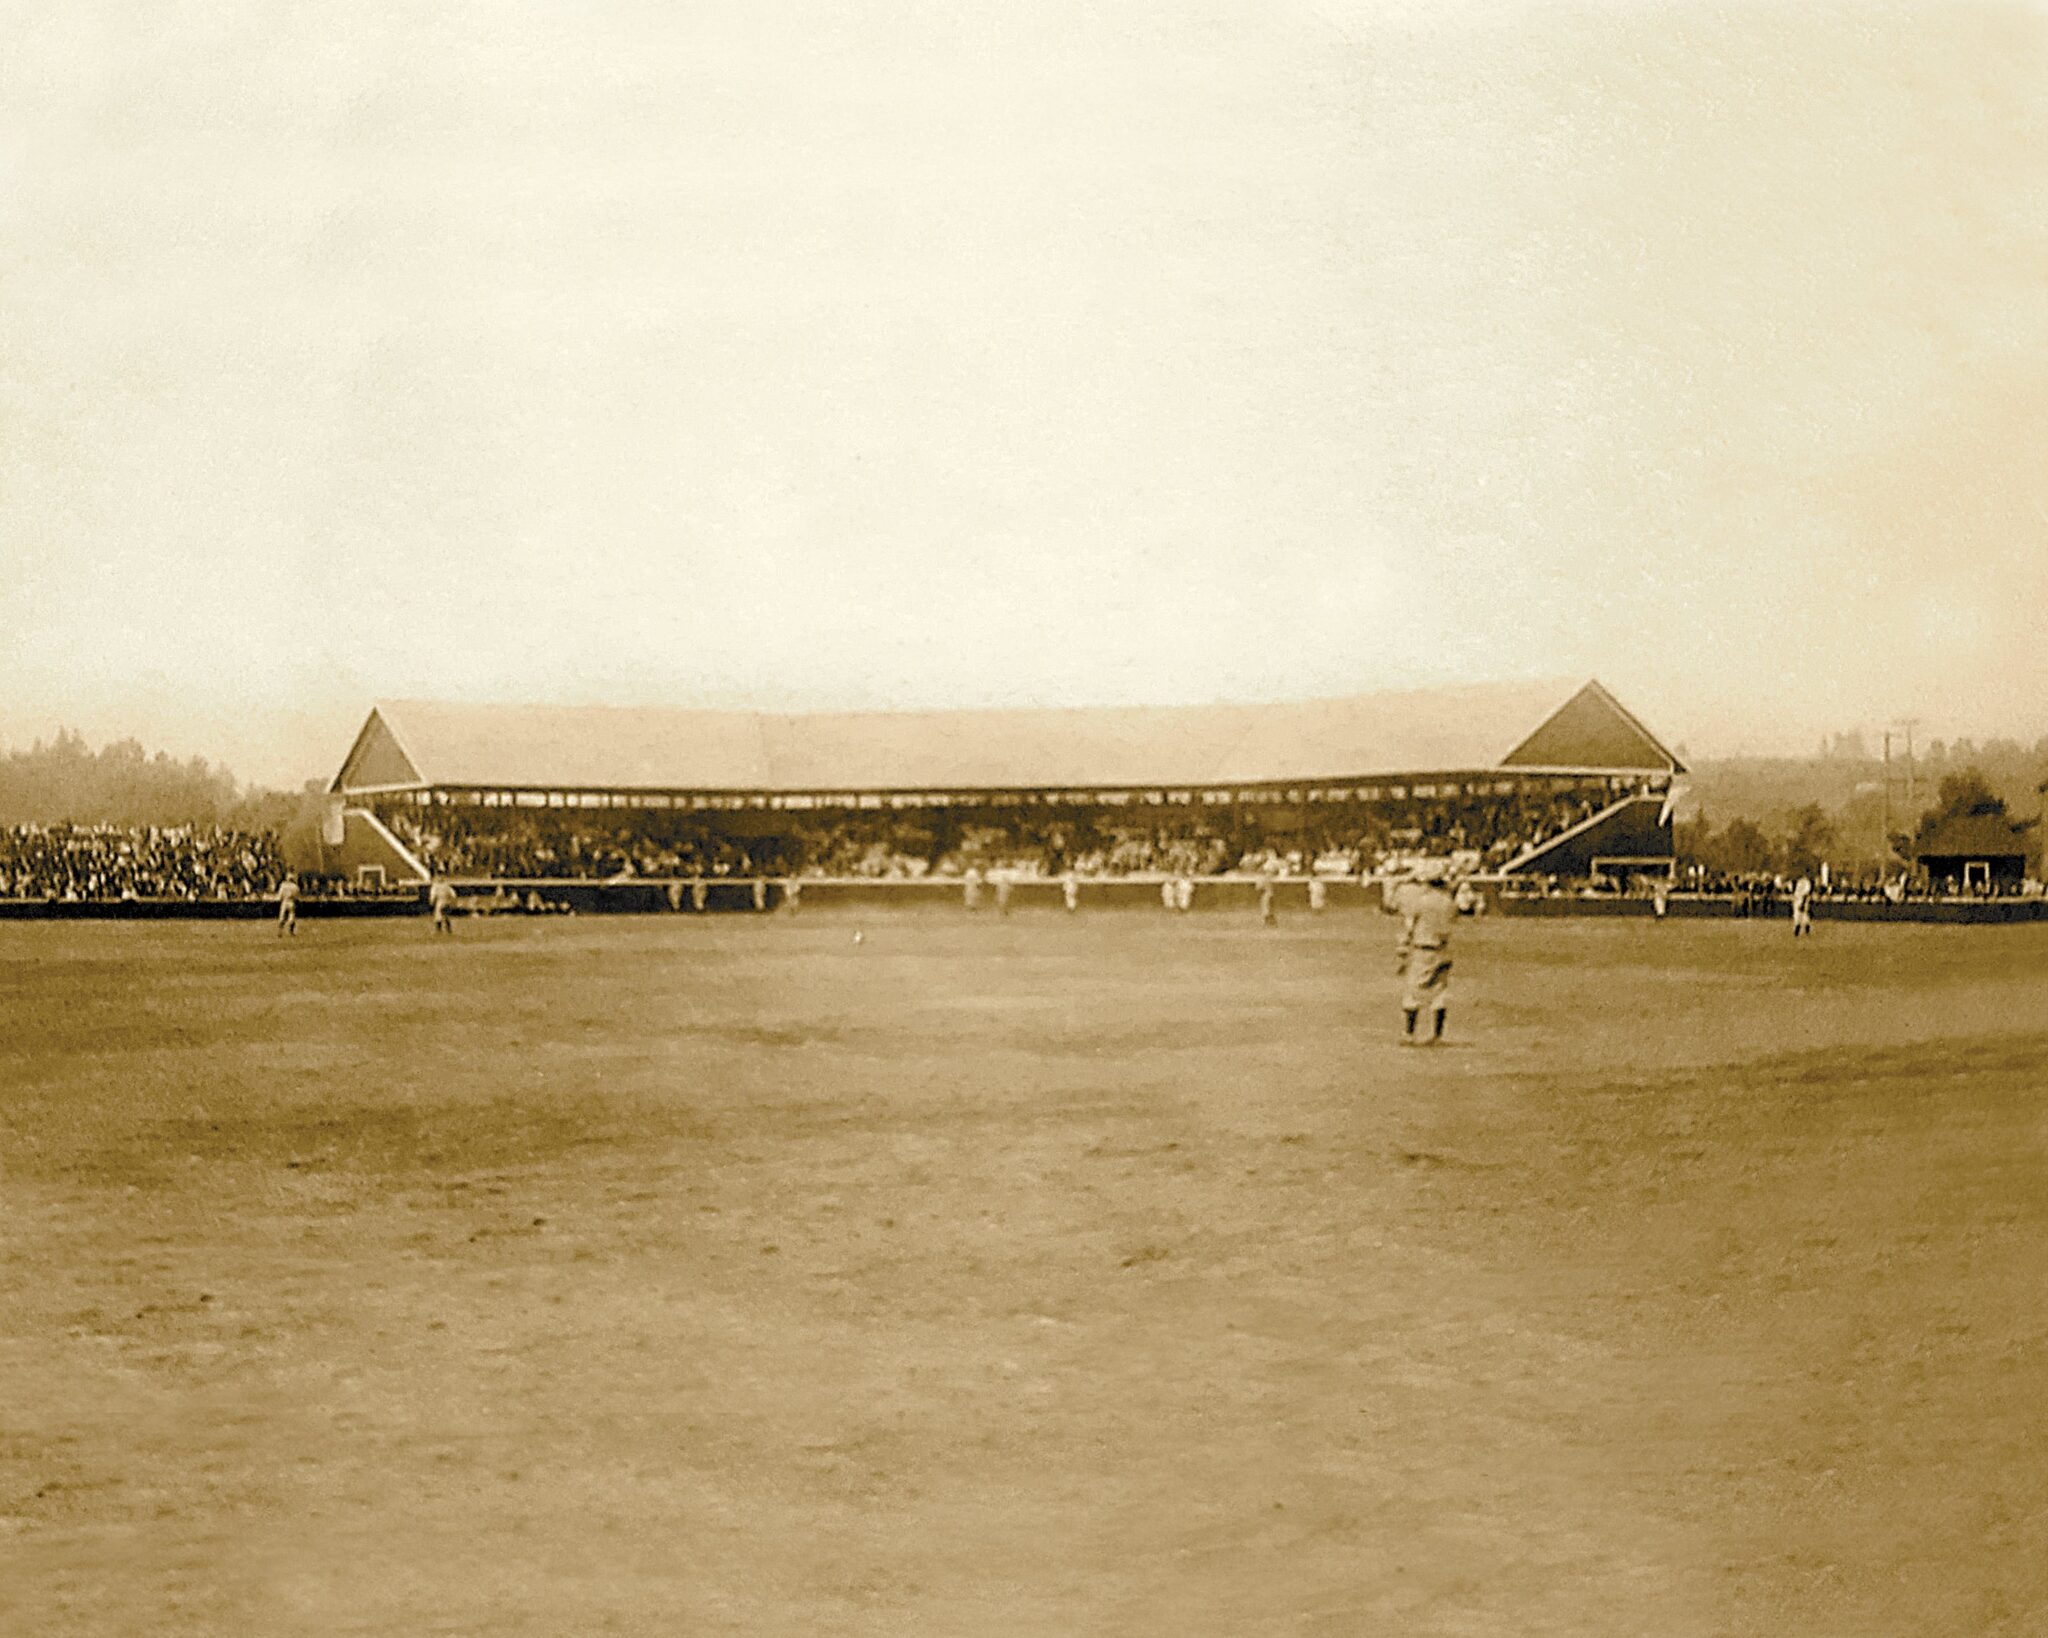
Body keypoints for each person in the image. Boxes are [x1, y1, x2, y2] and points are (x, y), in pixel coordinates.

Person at [1383, 859, 1456, 1044]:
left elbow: (1409, 926)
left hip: (1424, 949)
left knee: (1412, 993)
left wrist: (1403, 950)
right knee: (1439, 993)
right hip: (1444, 949)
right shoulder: (1448, 902)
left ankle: (1409, 1034)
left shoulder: (1421, 902)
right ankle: (1437, 1035)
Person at [1791, 872, 1814, 937]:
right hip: (1798, 899)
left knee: (1802, 915)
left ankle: (1802, 931)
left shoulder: (1805, 882)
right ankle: (1800, 931)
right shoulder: (1802, 881)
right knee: (1800, 915)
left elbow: (1806, 893)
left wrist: (1803, 903)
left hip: (1802, 900)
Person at [275, 873, 299, 938]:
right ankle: (291, 931)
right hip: (291, 902)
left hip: (284, 902)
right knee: (292, 916)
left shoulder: (283, 885)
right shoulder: (295, 886)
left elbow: (280, 895)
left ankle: (280, 931)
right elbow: (296, 896)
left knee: (282, 917)